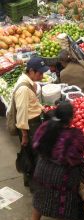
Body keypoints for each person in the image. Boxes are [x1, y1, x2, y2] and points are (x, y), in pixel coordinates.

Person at [31, 102, 84, 220]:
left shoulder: (46, 126)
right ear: (71, 119)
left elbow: (35, 143)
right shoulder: (73, 135)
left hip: (42, 168)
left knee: (40, 196)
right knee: (63, 203)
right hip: (61, 175)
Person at [13, 57, 48, 189]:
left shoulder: (27, 82)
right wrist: (25, 135)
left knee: (30, 154)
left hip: (31, 123)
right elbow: (22, 112)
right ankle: (35, 186)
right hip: (30, 126)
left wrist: (40, 108)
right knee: (34, 156)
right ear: (31, 71)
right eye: (40, 73)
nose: (42, 76)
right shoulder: (23, 89)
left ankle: (29, 181)